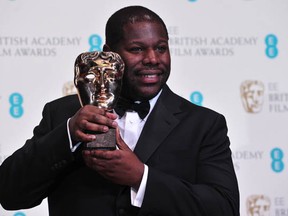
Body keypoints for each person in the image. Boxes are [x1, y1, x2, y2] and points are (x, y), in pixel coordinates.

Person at [0, 5, 240, 216]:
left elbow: (224, 208)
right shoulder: (63, 115)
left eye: (161, 48)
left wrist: (141, 177)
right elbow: (9, 194)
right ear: (109, 54)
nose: (152, 59)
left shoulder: (204, 124)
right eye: (137, 49)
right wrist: (69, 135)